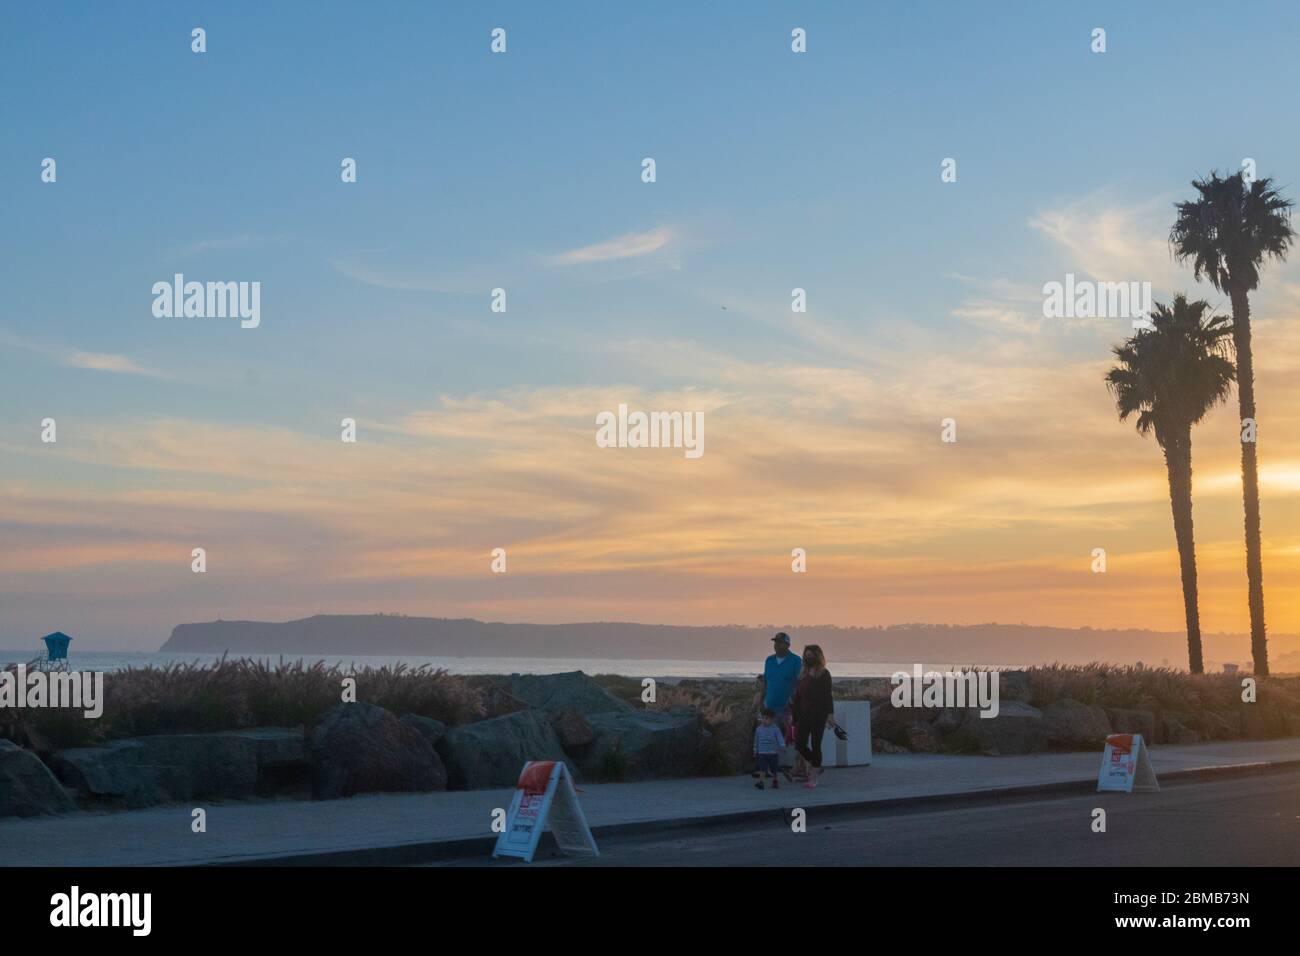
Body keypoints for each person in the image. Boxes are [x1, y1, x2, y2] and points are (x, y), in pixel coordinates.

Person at [790, 644, 834, 788]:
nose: (808, 658)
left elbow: (828, 696)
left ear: (818, 656)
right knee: (800, 744)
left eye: (811, 655)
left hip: (818, 714)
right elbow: (798, 696)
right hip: (803, 714)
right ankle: (817, 765)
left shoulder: (824, 673)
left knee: (816, 744)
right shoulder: (803, 673)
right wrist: (793, 715)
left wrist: (830, 714)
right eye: (806, 655)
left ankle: (814, 776)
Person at [758, 632, 801, 757]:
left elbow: (800, 683)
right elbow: (765, 682)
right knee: (769, 737)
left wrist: (794, 702)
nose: (776, 645)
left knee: (788, 737)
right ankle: (769, 767)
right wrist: (761, 702)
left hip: (787, 708)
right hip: (770, 707)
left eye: (780, 642)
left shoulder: (796, 661)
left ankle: (790, 765)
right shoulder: (769, 660)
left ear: (788, 645)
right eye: (775, 642)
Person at [752, 708, 783, 789]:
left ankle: (775, 780)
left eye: (766, 718)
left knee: (774, 769)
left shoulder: (775, 729)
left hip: (773, 752)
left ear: (772, 719)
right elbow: (756, 740)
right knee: (762, 768)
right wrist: (755, 750)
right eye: (763, 718)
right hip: (762, 752)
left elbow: (780, 738)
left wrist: (781, 746)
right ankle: (761, 782)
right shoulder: (759, 729)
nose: (764, 720)